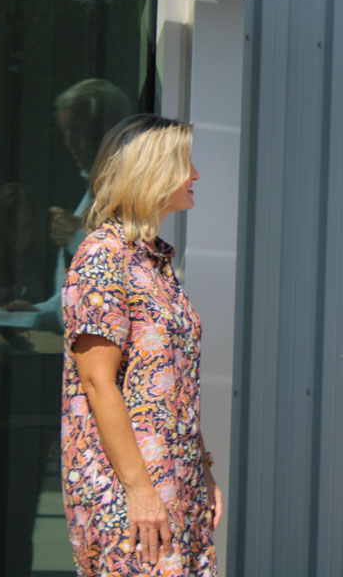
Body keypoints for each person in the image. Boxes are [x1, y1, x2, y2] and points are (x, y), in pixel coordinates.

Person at [60, 114, 221, 576]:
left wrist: (202, 468)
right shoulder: (102, 257)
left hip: (175, 482)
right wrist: (140, 489)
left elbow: (174, 385)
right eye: (185, 163)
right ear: (151, 172)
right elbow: (96, 381)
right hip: (130, 491)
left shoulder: (151, 262)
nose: (195, 175)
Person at [8, 78, 131, 329]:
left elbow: (134, 278)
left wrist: (77, 237)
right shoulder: (91, 193)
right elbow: (70, 301)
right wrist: (35, 312)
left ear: (108, 128)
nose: (69, 142)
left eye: (76, 130)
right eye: (65, 132)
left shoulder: (137, 190)